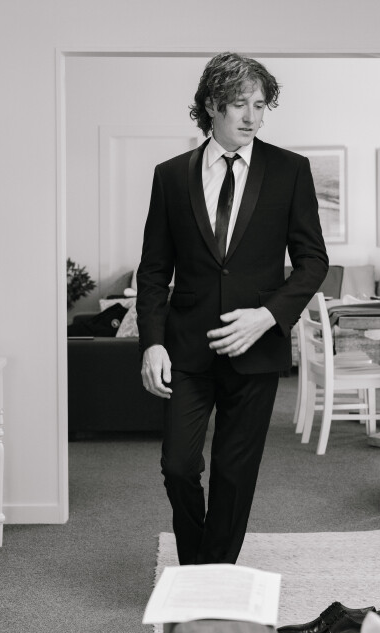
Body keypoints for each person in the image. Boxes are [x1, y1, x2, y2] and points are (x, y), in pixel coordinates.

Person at [136, 52, 328, 565]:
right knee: (178, 466)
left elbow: (313, 261)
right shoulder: (170, 176)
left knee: (234, 474)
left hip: (256, 347)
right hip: (186, 350)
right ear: (211, 106)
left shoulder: (289, 170)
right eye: (240, 104)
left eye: (260, 105)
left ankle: (211, 575)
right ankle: (199, 564)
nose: (251, 116)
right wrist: (152, 342)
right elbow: (153, 270)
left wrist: (268, 316)